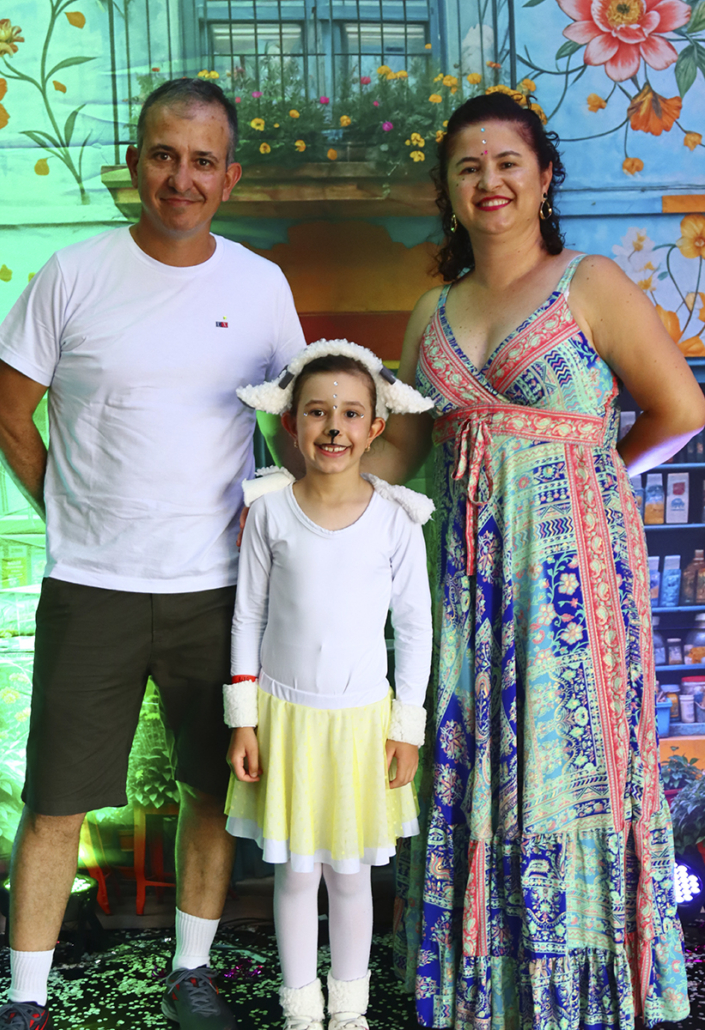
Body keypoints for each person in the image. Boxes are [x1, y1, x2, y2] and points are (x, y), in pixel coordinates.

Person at [364, 92, 705, 1028]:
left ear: (544, 176)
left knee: (564, 770)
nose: (490, 181)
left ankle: (581, 996)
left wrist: (590, 470)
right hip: (465, 584)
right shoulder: (429, 311)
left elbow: (680, 408)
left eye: (507, 162)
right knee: (471, 759)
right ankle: (487, 990)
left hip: (573, 581)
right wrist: (305, 473)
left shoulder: (587, 283)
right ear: (446, 189)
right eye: (468, 167)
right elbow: (402, 451)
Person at [0, 78, 305, 1030]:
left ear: (229, 178)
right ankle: (26, 1001)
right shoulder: (72, 273)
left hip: (221, 589)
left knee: (213, 788)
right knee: (54, 799)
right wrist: (70, 509)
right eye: (164, 155)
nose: (181, 178)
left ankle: (191, 975)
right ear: (135, 164)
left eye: (203, 161)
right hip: (92, 585)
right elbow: (4, 414)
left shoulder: (259, 286)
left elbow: (297, 431)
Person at [223, 340, 434, 1030]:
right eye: (317, 412)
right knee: (294, 872)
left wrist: (405, 728)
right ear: (291, 424)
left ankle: (348, 1008)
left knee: (349, 874)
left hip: (361, 725)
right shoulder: (270, 513)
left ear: (376, 427)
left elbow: (415, 628)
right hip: (284, 719)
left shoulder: (396, 520)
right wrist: (244, 719)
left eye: (349, 414)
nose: (333, 428)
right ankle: (299, 1008)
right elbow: (248, 616)